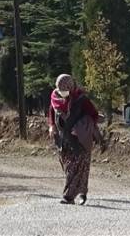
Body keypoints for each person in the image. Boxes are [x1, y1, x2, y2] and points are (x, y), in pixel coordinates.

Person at [47, 74, 103, 205]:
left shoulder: (81, 99)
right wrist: (51, 126)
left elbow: (93, 115)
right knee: (68, 168)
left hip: (80, 140)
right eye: (61, 91)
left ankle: (69, 197)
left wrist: (81, 127)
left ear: (71, 87)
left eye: (65, 91)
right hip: (63, 139)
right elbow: (51, 112)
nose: (63, 94)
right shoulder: (55, 97)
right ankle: (81, 192)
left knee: (78, 168)